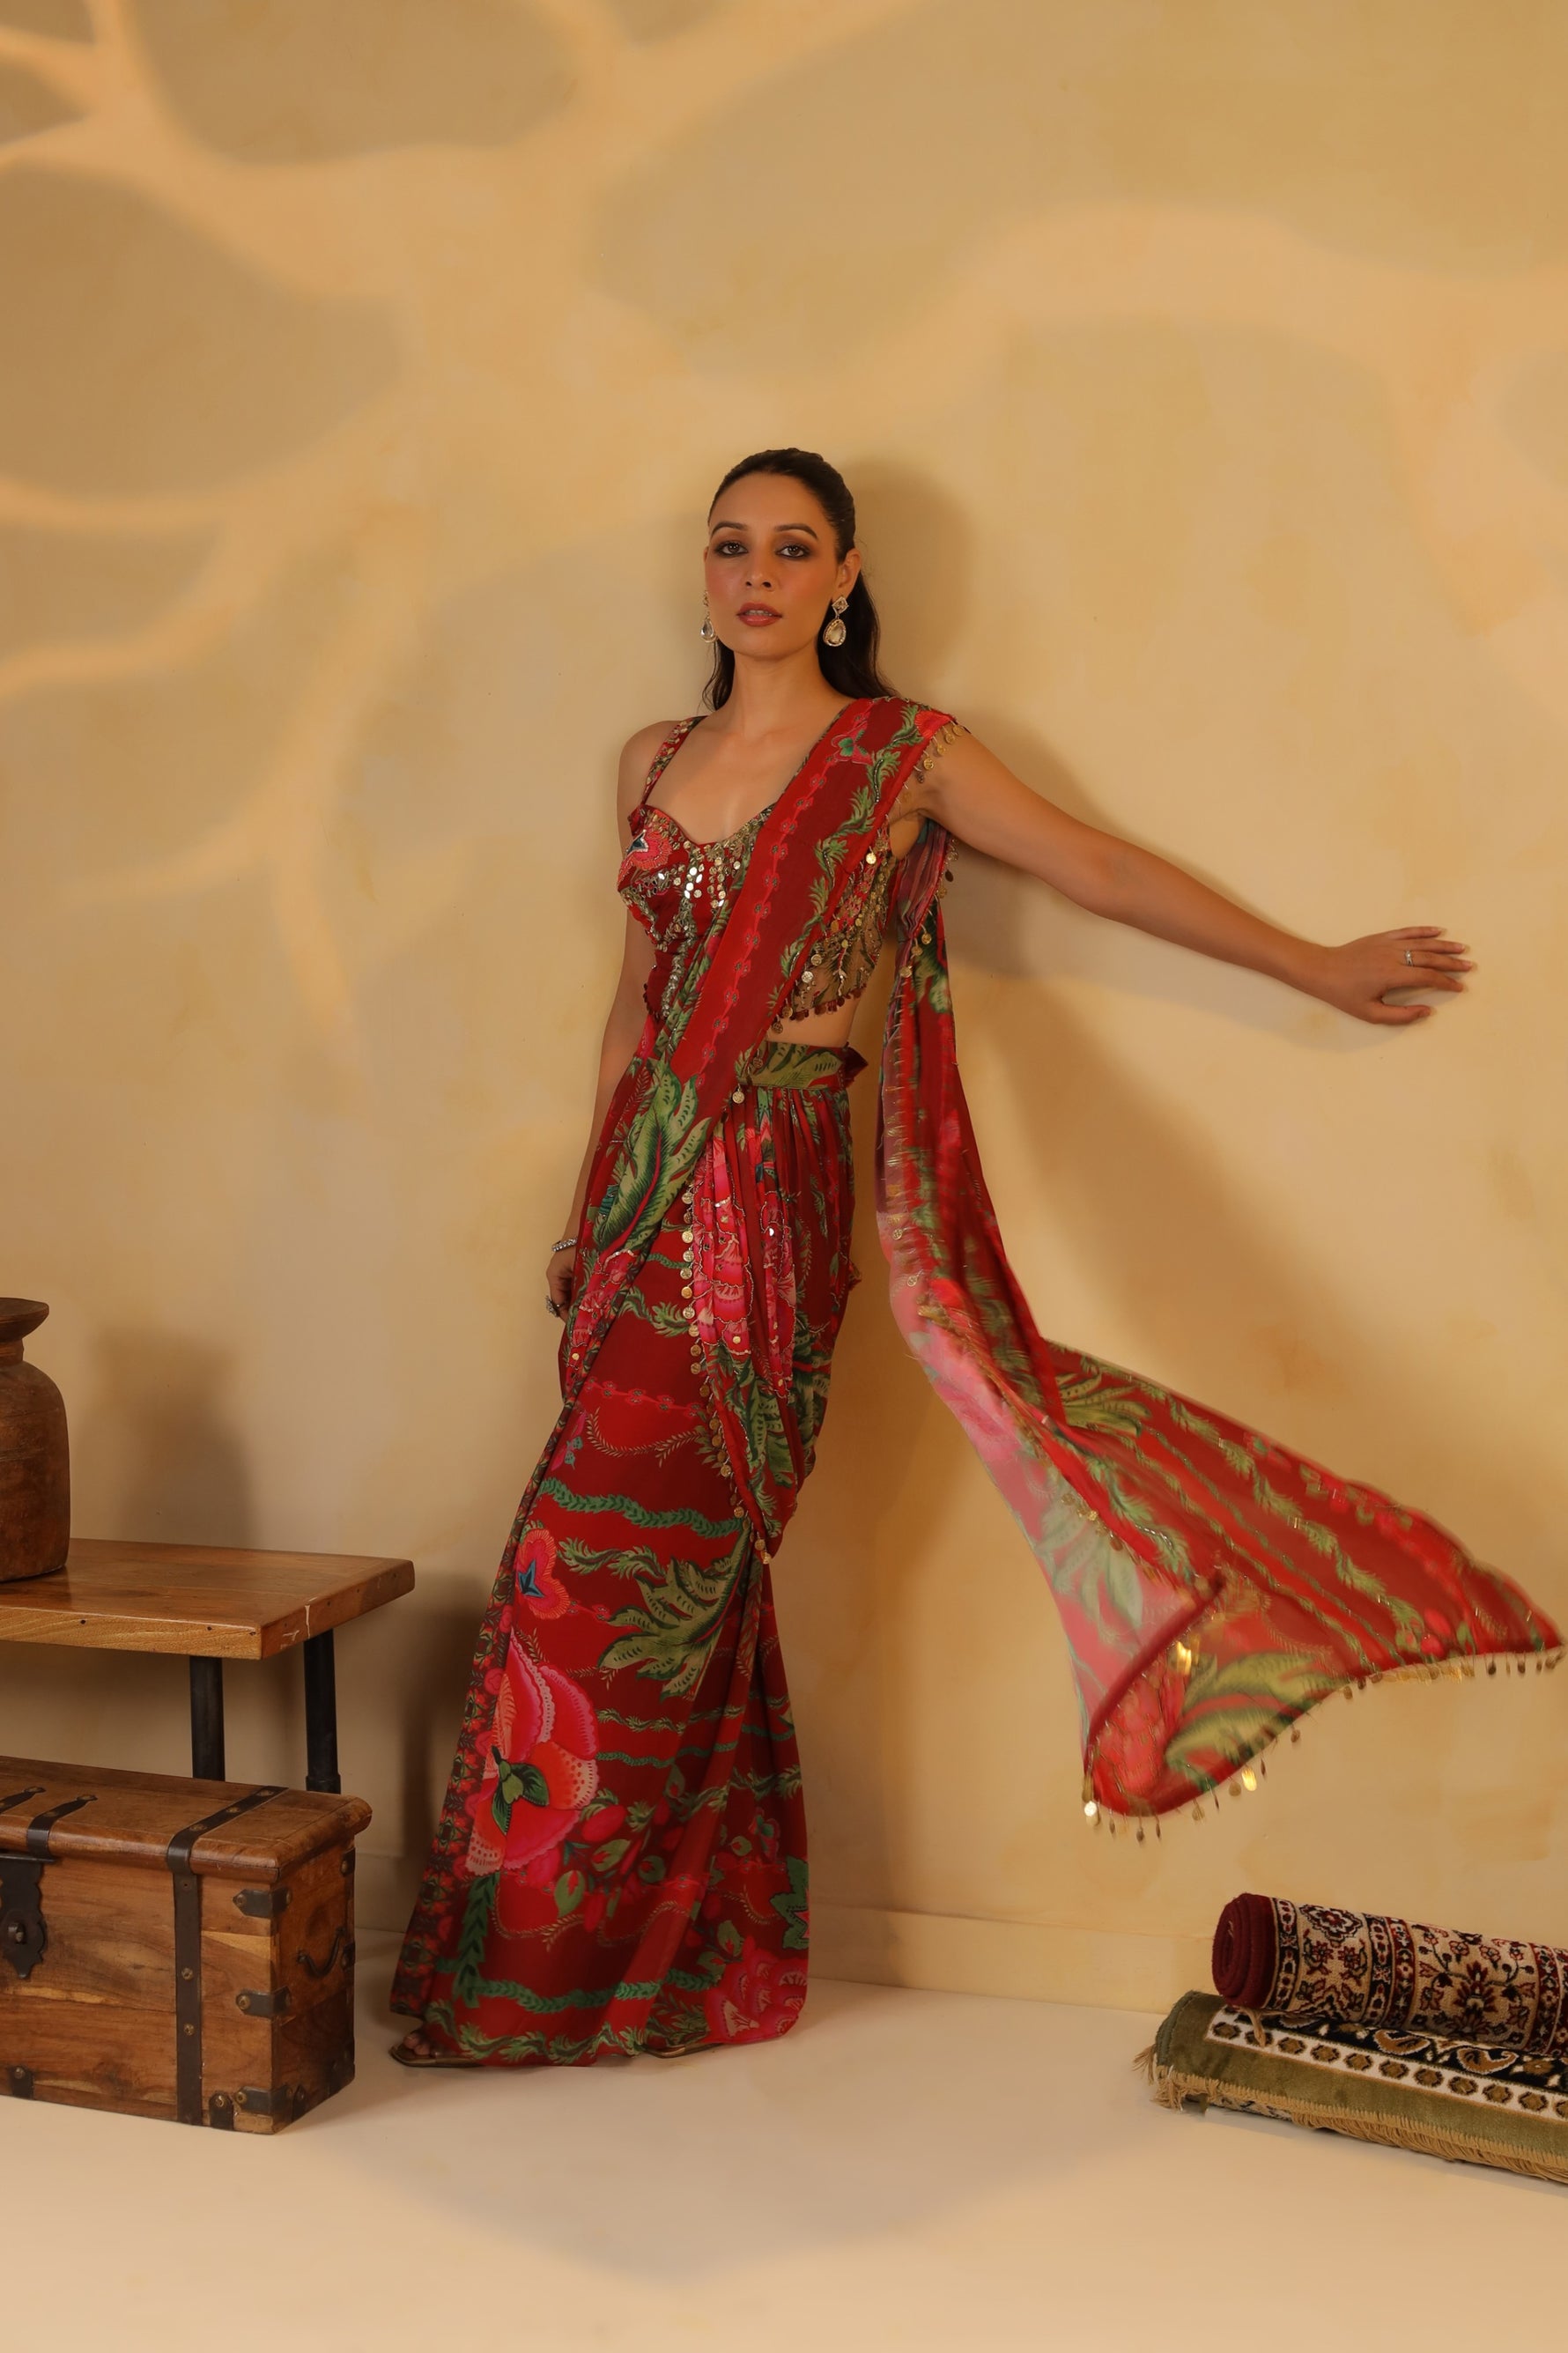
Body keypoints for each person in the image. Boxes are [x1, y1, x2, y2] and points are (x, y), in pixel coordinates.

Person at [391, 448, 1555, 2068]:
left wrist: (1311, 961)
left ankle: (577, 1969)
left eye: (792, 547)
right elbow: (637, 1000)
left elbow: (1100, 867)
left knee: (659, 1572)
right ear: (704, 575)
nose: (757, 574)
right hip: (645, 1193)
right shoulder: (651, 760)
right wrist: (589, 1214)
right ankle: (625, 1958)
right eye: (730, 546)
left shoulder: (902, 755)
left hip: (778, 1195)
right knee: (584, 1577)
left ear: (845, 576)